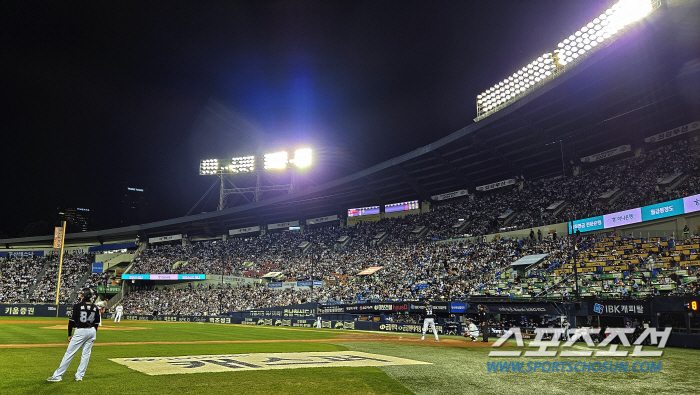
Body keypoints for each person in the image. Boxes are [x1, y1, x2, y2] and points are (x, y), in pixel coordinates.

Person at [47, 288, 101, 382]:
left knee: (69, 353)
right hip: (92, 331)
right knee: (86, 354)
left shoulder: (78, 306)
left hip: (81, 331)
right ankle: (79, 376)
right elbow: (96, 322)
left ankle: (57, 376)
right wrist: (93, 332)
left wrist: (69, 334)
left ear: (83, 295)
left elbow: (71, 321)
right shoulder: (95, 307)